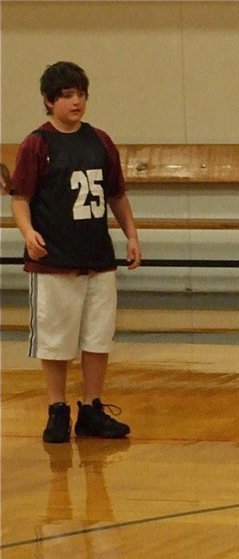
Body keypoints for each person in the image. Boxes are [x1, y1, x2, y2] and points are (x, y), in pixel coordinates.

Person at [10, 61, 141, 445]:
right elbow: (21, 198)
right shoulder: (37, 144)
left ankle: (92, 408)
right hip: (54, 261)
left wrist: (131, 235)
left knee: (98, 338)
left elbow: (116, 194)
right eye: (67, 95)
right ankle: (56, 409)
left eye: (81, 94)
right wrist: (28, 230)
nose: (76, 102)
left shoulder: (100, 140)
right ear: (49, 101)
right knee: (56, 339)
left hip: (98, 257)